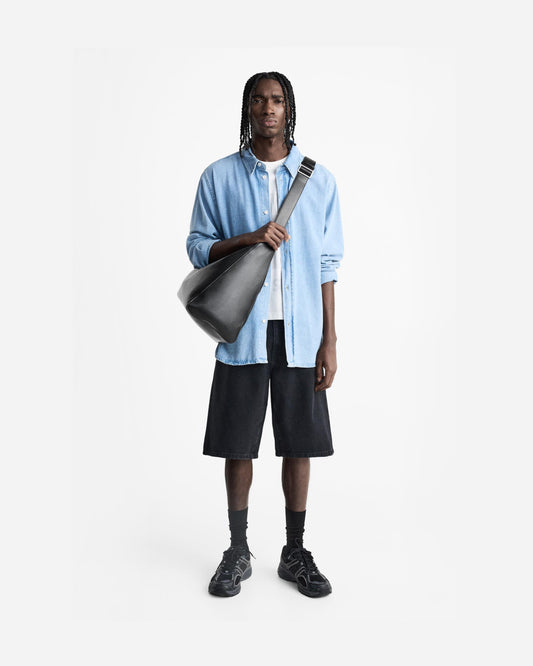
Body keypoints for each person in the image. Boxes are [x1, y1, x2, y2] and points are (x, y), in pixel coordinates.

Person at [186, 71, 344, 598]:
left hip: (301, 334)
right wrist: (249, 238)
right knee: (238, 444)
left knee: (299, 444)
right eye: (259, 100)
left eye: (277, 100)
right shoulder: (218, 177)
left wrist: (330, 340)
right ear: (247, 108)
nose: (268, 108)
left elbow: (327, 264)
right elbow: (198, 247)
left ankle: (294, 551)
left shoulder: (319, 181)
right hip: (243, 332)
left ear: (288, 109)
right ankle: (237, 550)